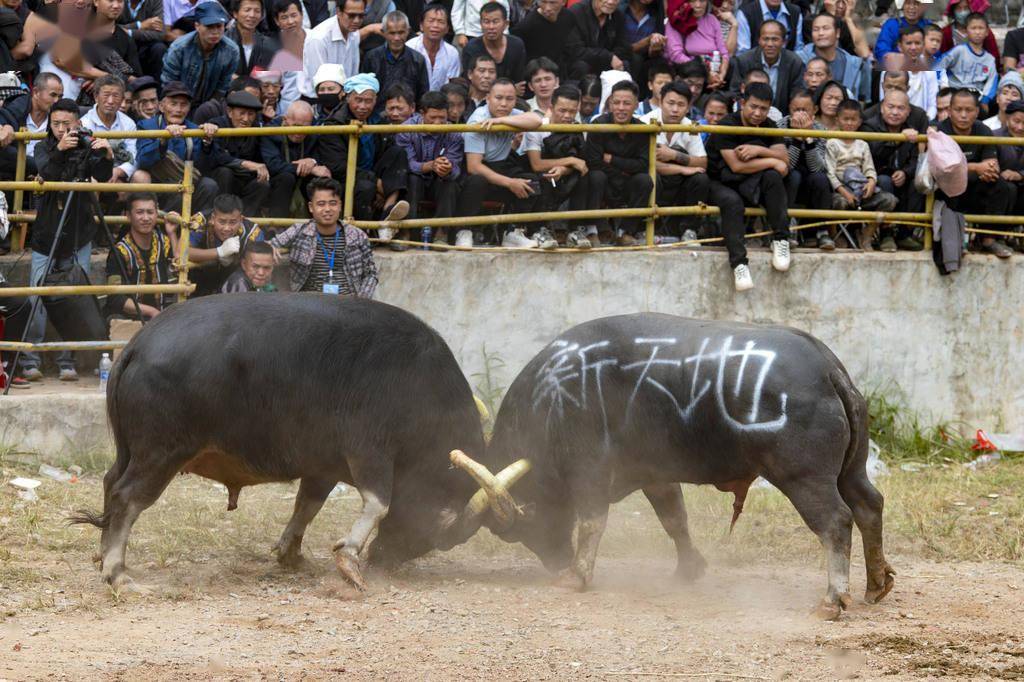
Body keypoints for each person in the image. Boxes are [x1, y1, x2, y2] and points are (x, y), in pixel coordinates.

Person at [22, 98, 114, 382]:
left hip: (78, 231)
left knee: (76, 299)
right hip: (47, 233)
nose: (61, 129)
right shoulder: (43, 146)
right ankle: (29, 359)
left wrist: (107, 155)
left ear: (78, 123)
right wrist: (61, 151)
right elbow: (47, 173)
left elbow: (103, 176)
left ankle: (67, 360)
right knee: (37, 297)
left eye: (67, 124)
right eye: (56, 124)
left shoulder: (87, 142)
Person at [704, 81, 792, 291]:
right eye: (753, 106)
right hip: (721, 181)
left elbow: (784, 162)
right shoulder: (727, 124)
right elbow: (736, 166)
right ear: (742, 103)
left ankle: (781, 239)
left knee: (773, 177)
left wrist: (758, 150)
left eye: (763, 108)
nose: (757, 113)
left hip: (751, 180)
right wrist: (772, 160)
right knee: (733, 203)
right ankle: (739, 264)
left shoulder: (770, 126)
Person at [460, 77, 544, 248]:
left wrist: (501, 120)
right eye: (499, 98)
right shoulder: (478, 120)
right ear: (488, 98)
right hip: (474, 171)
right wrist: (510, 183)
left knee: (531, 181)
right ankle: (463, 230)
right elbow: (474, 167)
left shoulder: (508, 115)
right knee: (478, 181)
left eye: (510, 99)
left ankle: (511, 231)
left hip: (501, 165)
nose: (504, 104)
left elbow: (536, 120)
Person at [938, 87, 1014, 257]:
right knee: (951, 184)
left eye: (969, 110)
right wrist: (976, 167)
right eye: (958, 110)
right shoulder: (941, 130)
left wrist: (987, 169)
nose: (963, 115)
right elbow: (946, 168)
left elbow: (991, 164)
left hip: (976, 187)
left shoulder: (983, 130)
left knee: (1001, 185)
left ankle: (988, 239)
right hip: (949, 190)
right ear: (950, 111)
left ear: (977, 111)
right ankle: (956, 240)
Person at [520, 84, 599, 248]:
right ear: (551, 107)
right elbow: (536, 164)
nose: (567, 116)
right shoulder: (538, 128)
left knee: (585, 177)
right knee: (540, 178)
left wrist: (564, 168)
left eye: (572, 111)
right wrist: (570, 161)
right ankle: (539, 229)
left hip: (565, 176)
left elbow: (582, 164)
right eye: (562, 111)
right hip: (540, 175)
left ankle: (574, 231)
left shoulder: (578, 128)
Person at [269, 176, 379, 295]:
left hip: (347, 304)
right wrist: (269, 248)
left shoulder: (357, 236)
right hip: (309, 304)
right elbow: (270, 244)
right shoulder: (299, 231)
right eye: (321, 204)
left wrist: (361, 302)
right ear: (311, 207)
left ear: (340, 206)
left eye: (333, 203)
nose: (327, 209)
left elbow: (371, 273)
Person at [582, 80, 653, 246]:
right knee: (596, 176)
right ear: (610, 104)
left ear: (636, 105)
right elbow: (593, 162)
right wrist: (624, 170)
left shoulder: (642, 129)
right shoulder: (598, 124)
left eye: (627, 103)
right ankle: (593, 229)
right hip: (605, 181)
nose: (621, 108)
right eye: (616, 102)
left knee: (645, 180)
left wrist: (612, 159)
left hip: (627, 182)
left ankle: (626, 232)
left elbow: (642, 164)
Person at [135, 81, 224, 213]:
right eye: (174, 103)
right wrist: (163, 139)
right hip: (158, 186)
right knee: (140, 176)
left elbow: (204, 168)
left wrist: (207, 141)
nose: (178, 110)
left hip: (185, 186)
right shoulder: (147, 125)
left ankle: (198, 229)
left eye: (184, 105)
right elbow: (143, 161)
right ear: (161, 106)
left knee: (209, 185)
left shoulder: (195, 129)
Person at [825, 99, 899, 249]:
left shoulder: (862, 144)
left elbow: (869, 168)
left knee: (889, 200)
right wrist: (844, 192)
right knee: (838, 203)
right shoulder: (832, 142)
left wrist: (871, 182)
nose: (850, 123)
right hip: (841, 190)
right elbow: (830, 173)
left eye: (853, 120)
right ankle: (834, 234)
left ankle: (867, 233)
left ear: (860, 122)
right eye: (846, 119)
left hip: (861, 189)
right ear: (837, 120)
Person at [642, 81, 709, 243]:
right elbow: (646, 163)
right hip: (656, 178)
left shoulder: (690, 126)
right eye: (670, 103)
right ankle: (645, 230)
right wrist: (682, 169)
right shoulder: (645, 122)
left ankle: (689, 230)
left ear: (688, 107)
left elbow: (702, 163)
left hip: (678, 184)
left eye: (681, 105)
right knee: (649, 176)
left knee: (700, 179)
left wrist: (674, 155)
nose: (675, 109)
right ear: (660, 101)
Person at [396, 90, 464, 246]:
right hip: (415, 178)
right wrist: (431, 165)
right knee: (411, 179)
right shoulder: (406, 130)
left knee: (449, 183)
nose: (438, 123)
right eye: (433, 118)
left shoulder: (454, 133)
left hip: (438, 182)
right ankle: (405, 232)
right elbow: (408, 164)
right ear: (421, 114)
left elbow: (455, 167)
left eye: (442, 118)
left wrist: (447, 168)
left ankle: (441, 233)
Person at [863, 88, 926, 251]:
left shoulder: (911, 129)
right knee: (885, 180)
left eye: (901, 108)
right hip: (875, 179)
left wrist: (906, 172)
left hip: (902, 179)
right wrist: (898, 140)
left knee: (917, 184)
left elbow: (915, 160)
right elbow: (875, 153)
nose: (895, 112)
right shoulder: (869, 126)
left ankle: (905, 234)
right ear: (882, 107)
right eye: (891, 107)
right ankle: (887, 234)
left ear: (908, 111)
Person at [209, 90, 289, 216]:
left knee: (262, 183)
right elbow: (217, 156)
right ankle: (223, 217)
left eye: (251, 114)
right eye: (241, 113)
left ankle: (244, 223)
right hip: (223, 180)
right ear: (230, 112)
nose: (246, 119)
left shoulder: (257, 128)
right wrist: (247, 164)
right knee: (225, 173)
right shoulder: (217, 125)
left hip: (245, 180)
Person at [171, 193, 265, 294]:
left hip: (233, 287)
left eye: (233, 222)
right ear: (213, 218)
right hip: (201, 280)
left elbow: (257, 266)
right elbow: (180, 252)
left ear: (241, 219)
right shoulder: (199, 221)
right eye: (222, 222)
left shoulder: (253, 233)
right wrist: (219, 252)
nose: (227, 228)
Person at [106, 192, 178, 319]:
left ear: (157, 214)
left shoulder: (164, 241)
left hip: (162, 316)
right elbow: (115, 298)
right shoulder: (119, 251)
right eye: (140, 212)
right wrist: (151, 312)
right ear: (128, 216)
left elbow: (180, 265)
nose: (146, 218)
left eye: (150, 212)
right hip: (130, 319)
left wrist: (172, 233)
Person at [780, 88, 832, 249]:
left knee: (821, 178)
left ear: (815, 110)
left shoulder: (820, 129)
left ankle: (822, 232)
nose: (800, 114)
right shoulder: (780, 126)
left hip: (811, 182)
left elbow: (817, 168)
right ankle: (785, 229)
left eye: (805, 110)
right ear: (789, 108)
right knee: (793, 175)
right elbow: (788, 166)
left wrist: (808, 137)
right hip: (787, 182)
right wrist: (796, 138)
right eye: (796, 110)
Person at [161, 2, 240, 104]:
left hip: (211, 104)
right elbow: (169, 83)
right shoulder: (179, 48)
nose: (215, 31)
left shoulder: (231, 51)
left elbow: (223, 86)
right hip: (179, 102)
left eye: (219, 26)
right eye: (209, 26)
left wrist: (209, 108)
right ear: (197, 26)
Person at [729, 20, 805, 115]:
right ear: (759, 40)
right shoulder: (744, 61)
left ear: (784, 41)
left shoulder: (794, 62)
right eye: (765, 39)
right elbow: (735, 93)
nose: (770, 44)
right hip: (750, 116)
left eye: (775, 39)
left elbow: (797, 95)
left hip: (783, 118)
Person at [261, 100, 330, 203]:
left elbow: (322, 156)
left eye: (305, 128)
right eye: (295, 126)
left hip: (302, 182)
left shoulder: (313, 130)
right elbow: (273, 165)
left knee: (323, 177)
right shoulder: (270, 131)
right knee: (286, 178)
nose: (299, 132)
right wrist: (307, 168)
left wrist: (312, 161)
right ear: (285, 120)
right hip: (276, 182)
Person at [81, 75, 144, 186]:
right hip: (94, 173)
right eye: (106, 95)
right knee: (91, 182)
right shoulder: (84, 123)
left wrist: (117, 171)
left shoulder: (128, 123)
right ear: (96, 97)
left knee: (141, 177)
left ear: (122, 99)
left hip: (119, 173)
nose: (110, 101)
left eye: (116, 96)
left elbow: (134, 156)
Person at [362, 10, 430, 110]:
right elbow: (364, 90)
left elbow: (423, 93)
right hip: (377, 118)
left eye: (401, 32)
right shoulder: (371, 57)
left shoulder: (417, 59)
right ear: (383, 33)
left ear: (408, 31)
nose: (397, 38)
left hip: (409, 118)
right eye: (392, 33)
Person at [797, 13, 868, 101]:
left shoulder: (854, 64)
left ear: (837, 33)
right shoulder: (798, 60)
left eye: (825, 28)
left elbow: (862, 99)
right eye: (816, 29)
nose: (820, 33)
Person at [882, 25, 947, 120]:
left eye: (917, 43)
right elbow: (883, 101)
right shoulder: (888, 70)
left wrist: (924, 122)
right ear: (900, 46)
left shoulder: (930, 71)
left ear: (923, 45)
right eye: (909, 43)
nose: (913, 47)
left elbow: (932, 104)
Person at [462, 2, 528, 92]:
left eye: (495, 22)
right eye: (486, 22)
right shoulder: (471, 48)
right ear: (480, 24)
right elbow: (470, 84)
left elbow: (520, 85)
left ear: (506, 24)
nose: (491, 27)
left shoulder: (517, 45)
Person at [303, 0, 365, 96]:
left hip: (343, 96)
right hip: (318, 97)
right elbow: (319, 83)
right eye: (351, 16)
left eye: (361, 16)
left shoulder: (354, 34)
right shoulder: (319, 38)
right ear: (338, 12)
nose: (356, 20)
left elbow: (353, 75)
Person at [665, 0, 728, 93]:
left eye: (702, 1)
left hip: (713, 70)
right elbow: (676, 55)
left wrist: (721, 75)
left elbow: (724, 52)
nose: (698, 5)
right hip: (688, 71)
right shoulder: (676, 21)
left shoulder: (712, 20)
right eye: (692, 1)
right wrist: (705, 74)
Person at [937, 13, 998, 108]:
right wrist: (943, 86)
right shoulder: (958, 51)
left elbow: (992, 81)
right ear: (966, 31)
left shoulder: (990, 59)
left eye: (981, 28)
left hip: (976, 98)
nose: (977, 32)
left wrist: (985, 100)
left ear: (987, 32)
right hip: (954, 93)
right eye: (973, 28)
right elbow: (939, 65)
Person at [512, 0, 580, 79]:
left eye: (553, 3)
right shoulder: (526, 26)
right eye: (543, 2)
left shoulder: (569, 17)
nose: (547, 8)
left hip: (561, 71)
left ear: (563, 2)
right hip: (537, 75)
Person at [568, 0, 633, 79]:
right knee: (581, 66)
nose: (611, 2)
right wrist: (608, 57)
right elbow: (575, 50)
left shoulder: (618, 15)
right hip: (581, 60)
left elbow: (624, 46)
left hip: (606, 61)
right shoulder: (576, 12)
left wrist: (612, 57)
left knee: (626, 64)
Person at [407, 3, 461, 91]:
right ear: (421, 25)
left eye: (441, 22)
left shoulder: (452, 53)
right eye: (431, 21)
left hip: (442, 102)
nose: (435, 25)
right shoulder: (410, 48)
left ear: (447, 28)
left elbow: (452, 87)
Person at [995, 99, 1024, 252]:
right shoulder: (994, 137)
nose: (1020, 128)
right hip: (1000, 190)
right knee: (1007, 188)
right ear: (1007, 119)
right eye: (1016, 121)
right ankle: (996, 237)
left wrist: (1020, 175)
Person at [940, 0, 999, 65]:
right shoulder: (946, 32)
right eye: (958, 9)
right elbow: (942, 60)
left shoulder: (984, 31)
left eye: (966, 8)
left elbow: (994, 58)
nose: (963, 12)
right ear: (953, 11)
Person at [228, 0, 278, 77]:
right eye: (247, 10)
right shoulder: (222, 43)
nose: (252, 15)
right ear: (235, 13)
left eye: (257, 11)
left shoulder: (269, 45)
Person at [119, 0, 166, 79]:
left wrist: (129, 32)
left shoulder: (155, 2)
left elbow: (160, 34)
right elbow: (108, 27)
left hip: (145, 46)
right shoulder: (118, 2)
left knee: (159, 48)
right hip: (121, 44)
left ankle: (157, 88)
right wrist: (139, 25)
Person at [735, 0, 805, 53]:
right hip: (754, 66)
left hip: (787, 67)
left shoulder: (795, 12)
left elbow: (798, 48)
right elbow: (743, 52)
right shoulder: (746, 13)